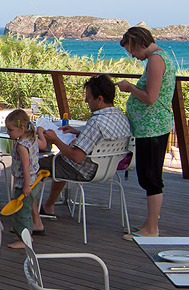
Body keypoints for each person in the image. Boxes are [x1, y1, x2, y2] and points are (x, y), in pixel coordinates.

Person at [37, 74, 131, 217]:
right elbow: (102, 140)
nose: (86, 101)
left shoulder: (96, 122)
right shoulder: (122, 117)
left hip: (84, 170)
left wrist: (55, 140)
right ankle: (48, 205)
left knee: (32, 164)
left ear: (99, 99)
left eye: (88, 97)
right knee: (61, 159)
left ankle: (28, 211)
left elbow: (76, 157)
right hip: (108, 169)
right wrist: (79, 132)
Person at [115, 26, 176, 237]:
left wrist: (130, 88)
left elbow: (151, 98)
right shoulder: (158, 58)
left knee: (151, 178)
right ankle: (149, 224)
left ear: (138, 43)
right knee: (149, 177)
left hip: (153, 128)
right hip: (149, 128)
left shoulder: (156, 60)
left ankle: (152, 228)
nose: (133, 55)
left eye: (132, 50)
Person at [4, 108, 43, 249]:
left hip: (25, 183)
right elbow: (44, 145)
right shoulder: (32, 139)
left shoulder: (21, 146)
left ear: (21, 128)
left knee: (22, 212)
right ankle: (22, 233)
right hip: (34, 180)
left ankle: (25, 239)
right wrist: (41, 134)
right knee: (24, 209)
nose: (8, 132)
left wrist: (26, 186)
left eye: (10, 130)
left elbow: (25, 166)